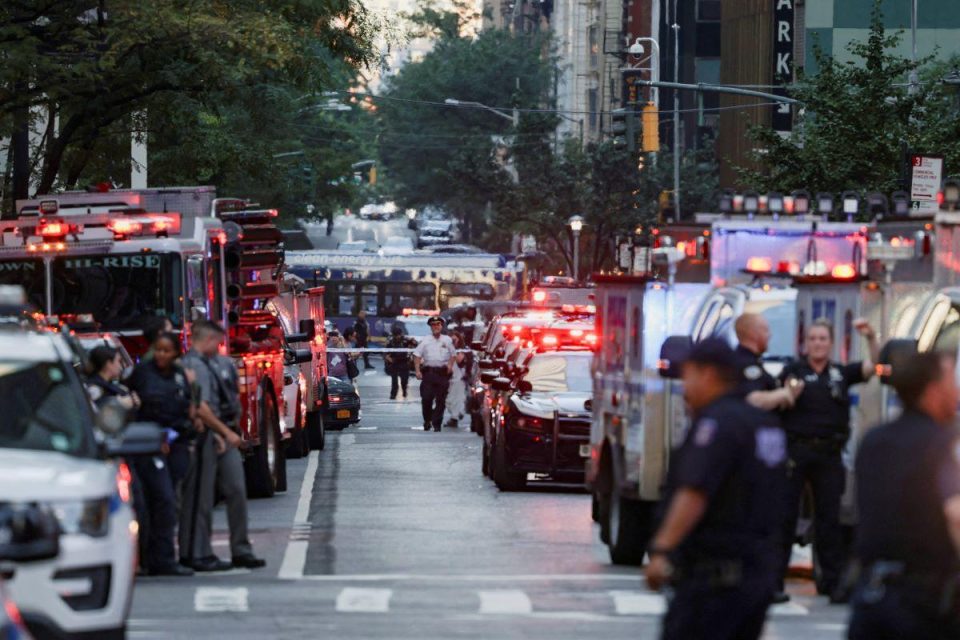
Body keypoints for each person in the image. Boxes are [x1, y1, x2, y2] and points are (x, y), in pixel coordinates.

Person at [645, 338, 786, 640]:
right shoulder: (766, 424)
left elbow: (695, 491)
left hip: (715, 580)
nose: (685, 387)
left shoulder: (718, 423)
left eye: (688, 376)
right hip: (757, 574)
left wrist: (662, 550)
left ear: (707, 374)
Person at [848, 351, 960, 639]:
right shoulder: (941, 443)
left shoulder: (873, 441)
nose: (957, 392)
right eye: (952, 382)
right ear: (933, 391)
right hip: (924, 603)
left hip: (871, 597)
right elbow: (956, 513)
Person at [777, 318, 879, 602]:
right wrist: (787, 393)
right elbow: (778, 400)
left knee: (829, 521)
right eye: (812, 338)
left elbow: (874, 366)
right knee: (785, 518)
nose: (817, 343)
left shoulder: (840, 373)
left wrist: (871, 338)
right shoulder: (793, 371)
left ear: (831, 343)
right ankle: (773, 582)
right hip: (796, 452)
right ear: (805, 343)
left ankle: (831, 582)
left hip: (829, 454)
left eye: (822, 338)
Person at [180, 320, 264, 572]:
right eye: (217, 342)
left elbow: (232, 396)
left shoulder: (222, 363)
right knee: (201, 497)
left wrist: (230, 431)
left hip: (225, 432)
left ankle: (241, 549)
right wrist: (224, 432)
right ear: (207, 339)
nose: (220, 347)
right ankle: (198, 552)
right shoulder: (192, 365)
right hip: (206, 434)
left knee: (237, 490)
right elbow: (201, 407)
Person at [125, 332, 195, 577]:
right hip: (149, 444)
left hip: (177, 441)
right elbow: (135, 408)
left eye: (167, 350)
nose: (161, 355)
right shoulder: (142, 373)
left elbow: (187, 403)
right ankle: (157, 558)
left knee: (169, 499)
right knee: (160, 499)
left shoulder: (180, 375)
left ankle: (158, 557)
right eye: (158, 350)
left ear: (176, 352)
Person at [733, 313, 803, 411]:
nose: (770, 335)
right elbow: (753, 400)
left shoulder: (753, 361)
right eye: (765, 330)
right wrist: (784, 394)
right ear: (753, 334)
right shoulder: (745, 364)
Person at [413, 316, 456, 432]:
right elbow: (417, 355)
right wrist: (417, 370)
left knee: (441, 400)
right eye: (433, 325)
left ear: (441, 326)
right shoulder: (425, 340)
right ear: (430, 327)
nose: (436, 327)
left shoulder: (447, 340)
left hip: (442, 374)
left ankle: (437, 423)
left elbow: (453, 354)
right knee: (426, 398)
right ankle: (427, 420)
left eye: (438, 324)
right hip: (429, 374)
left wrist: (450, 365)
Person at [384, 323, 415, 400]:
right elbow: (385, 352)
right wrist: (388, 358)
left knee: (404, 380)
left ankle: (404, 391)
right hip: (394, 362)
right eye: (396, 335)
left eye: (399, 335)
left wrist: (413, 342)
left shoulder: (406, 340)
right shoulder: (390, 341)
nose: (398, 337)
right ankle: (393, 394)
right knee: (394, 381)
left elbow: (415, 345)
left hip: (404, 362)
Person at [443, 331, 468, 427]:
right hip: (448, 378)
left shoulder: (461, 350)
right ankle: (458, 413)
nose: (453, 341)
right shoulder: (446, 349)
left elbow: (459, 359)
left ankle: (455, 418)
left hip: (459, 378)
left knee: (456, 399)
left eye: (454, 339)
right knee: (447, 400)